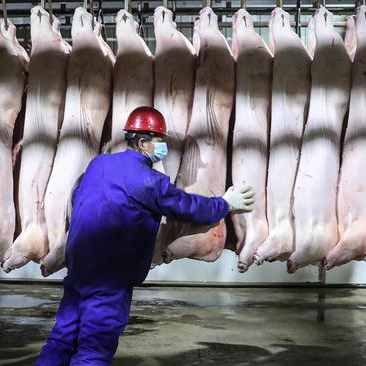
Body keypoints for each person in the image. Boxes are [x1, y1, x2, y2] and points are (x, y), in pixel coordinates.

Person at [36, 106, 255, 365]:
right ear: (142, 142)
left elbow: (77, 198)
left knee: (62, 338)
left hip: (80, 267)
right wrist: (225, 204)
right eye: (159, 141)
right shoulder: (148, 180)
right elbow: (186, 206)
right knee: (94, 347)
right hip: (110, 277)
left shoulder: (99, 164)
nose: (163, 147)